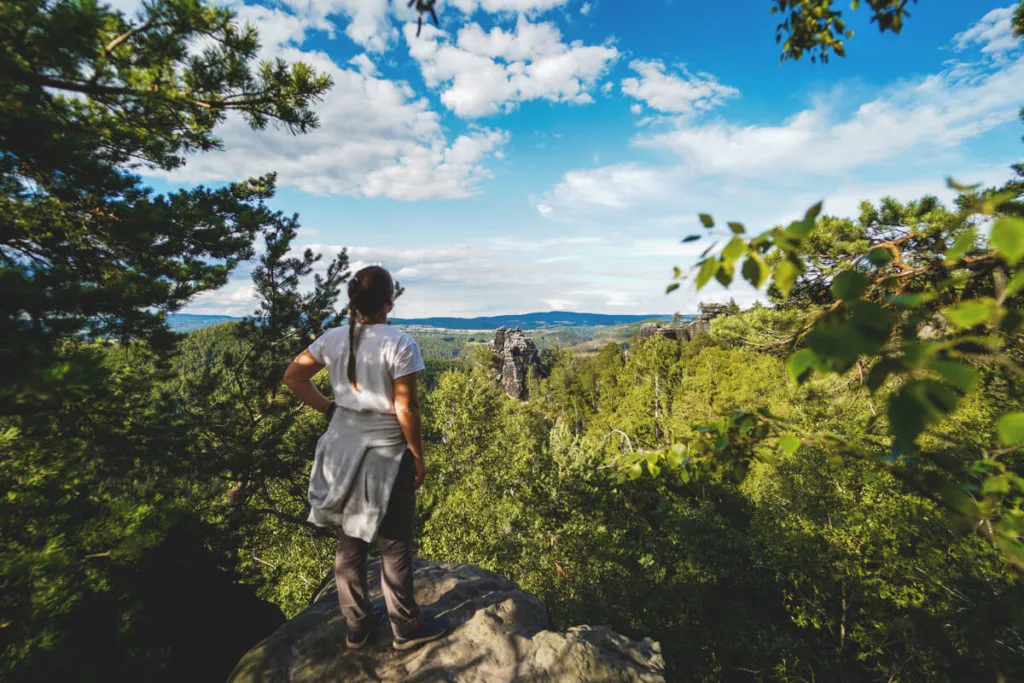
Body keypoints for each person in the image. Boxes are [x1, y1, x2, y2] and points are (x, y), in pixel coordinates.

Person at [283, 265, 450, 651]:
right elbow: (407, 409)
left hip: (341, 453)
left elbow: (294, 377)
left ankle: (357, 627)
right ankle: (405, 628)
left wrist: (330, 410)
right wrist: (417, 455)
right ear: (390, 301)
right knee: (393, 546)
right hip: (387, 456)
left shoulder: (332, 338)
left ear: (353, 301)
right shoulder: (400, 343)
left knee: (351, 542)